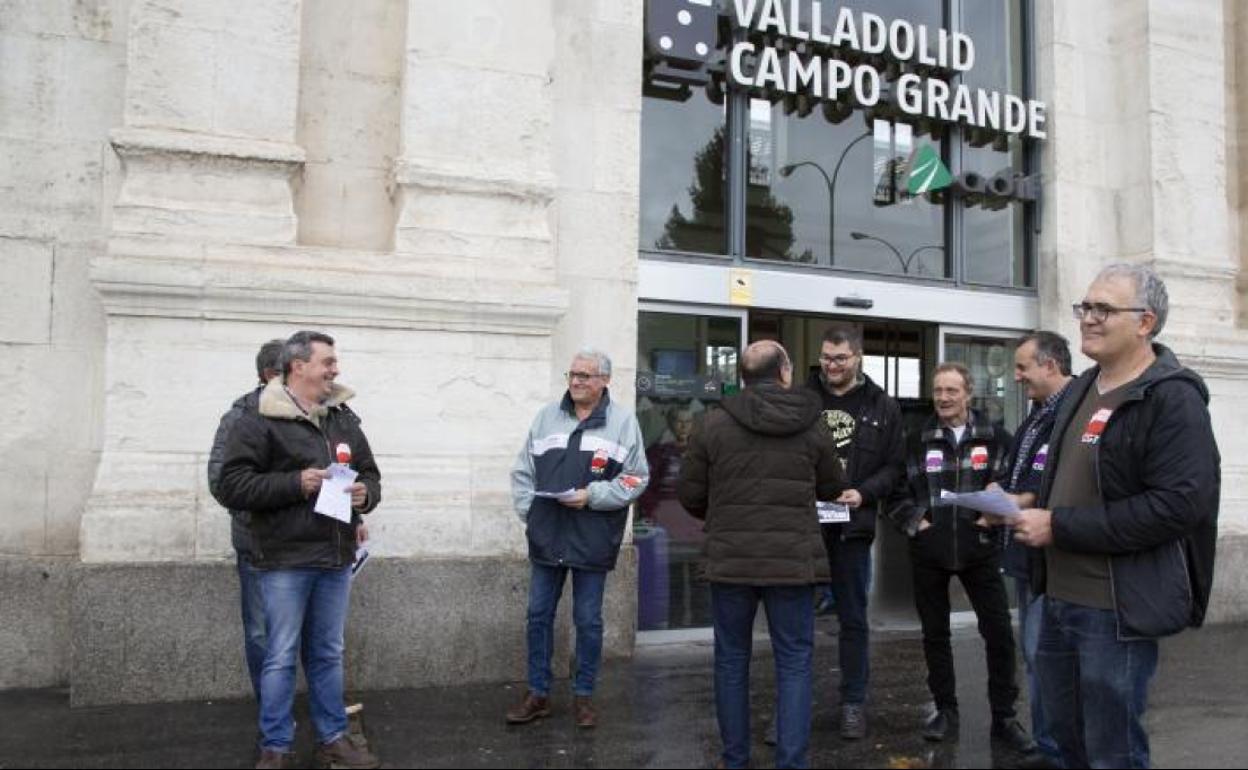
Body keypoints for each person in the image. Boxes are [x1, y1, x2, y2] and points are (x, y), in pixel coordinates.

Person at [1007, 264, 1220, 768]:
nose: (1088, 318)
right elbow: (1077, 479)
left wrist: (1058, 526)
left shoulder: (1173, 396)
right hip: (1054, 598)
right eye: (1086, 307)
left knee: (1113, 753)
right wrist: (1030, 504)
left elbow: (1178, 505)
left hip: (1116, 611)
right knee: (1061, 742)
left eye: (1104, 309)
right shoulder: (1080, 390)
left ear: (1145, 322)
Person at [678, 340, 846, 769]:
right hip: (792, 562)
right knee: (794, 662)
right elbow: (831, 489)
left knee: (731, 660)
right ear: (785, 373)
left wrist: (723, 516)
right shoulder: (813, 425)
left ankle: (735, 760)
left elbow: (691, 495)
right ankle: (792, 762)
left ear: (741, 378)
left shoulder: (712, 424)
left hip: (730, 561)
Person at [218, 331, 382, 770]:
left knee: (328, 652)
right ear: (298, 366)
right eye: (327, 361)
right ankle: (276, 745)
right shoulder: (257, 416)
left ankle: (333, 738)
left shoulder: (342, 416)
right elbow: (228, 483)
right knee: (280, 654)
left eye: (334, 361)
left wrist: (365, 495)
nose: (335, 369)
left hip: (334, 554)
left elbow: (369, 472)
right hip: (283, 559)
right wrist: (297, 482)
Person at [886, 363, 1034, 753]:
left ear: (969, 393)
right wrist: (919, 525)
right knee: (935, 635)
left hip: (980, 550)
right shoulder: (916, 440)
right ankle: (945, 709)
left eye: (952, 390)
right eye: (938, 390)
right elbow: (896, 495)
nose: (944, 398)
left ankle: (1004, 715)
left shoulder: (996, 438)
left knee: (999, 634)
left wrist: (990, 518)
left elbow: (1012, 489)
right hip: (929, 552)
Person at [506, 348, 650, 729]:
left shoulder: (622, 422)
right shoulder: (546, 417)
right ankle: (538, 693)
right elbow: (522, 472)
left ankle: (584, 695)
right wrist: (532, 516)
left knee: (588, 620)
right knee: (538, 615)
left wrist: (594, 496)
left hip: (592, 535)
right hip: (547, 534)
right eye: (572, 374)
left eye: (585, 376)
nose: (576, 382)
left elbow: (636, 478)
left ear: (605, 380)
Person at [805, 323, 905, 740]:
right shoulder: (803, 399)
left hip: (852, 526)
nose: (831, 365)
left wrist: (863, 493)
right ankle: (793, 708)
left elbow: (894, 467)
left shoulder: (883, 405)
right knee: (794, 621)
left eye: (840, 358)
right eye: (827, 357)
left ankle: (852, 703)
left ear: (858, 357)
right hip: (805, 526)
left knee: (853, 620)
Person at [993, 332, 1073, 768]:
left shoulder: (1074, 413)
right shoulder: (1037, 415)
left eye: (1024, 367)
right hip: (1025, 557)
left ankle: (1056, 751)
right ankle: (1049, 747)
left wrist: (1016, 500)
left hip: (1053, 561)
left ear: (1050, 365)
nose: (1017, 376)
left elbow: (1060, 482)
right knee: (1035, 656)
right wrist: (1001, 493)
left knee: (1047, 660)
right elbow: (1024, 473)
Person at [208, 338, 285, 701]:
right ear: (270, 374)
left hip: (305, 545)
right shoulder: (240, 417)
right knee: (260, 632)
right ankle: (270, 707)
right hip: (258, 544)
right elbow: (221, 483)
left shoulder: (312, 412)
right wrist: (268, 511)